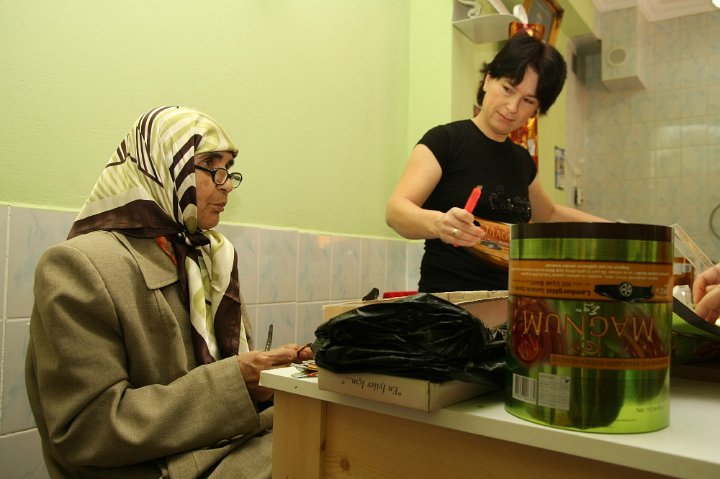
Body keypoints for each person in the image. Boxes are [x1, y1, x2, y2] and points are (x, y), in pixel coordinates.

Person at [25, 106, 313, 478]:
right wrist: (238, 382)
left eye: (229, 168)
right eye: (211, 164)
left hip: (222, 448)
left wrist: (272, 378)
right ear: (161, 167)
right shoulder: (78, 265)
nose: (226, 183)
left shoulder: (211, 257)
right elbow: (87, 430)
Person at [386, 31, 605, 292]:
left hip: (509, 306)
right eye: (507, 89)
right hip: (448, 310)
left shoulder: (522, 160)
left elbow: (548, 213)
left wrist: (614, 229)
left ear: (536, 110)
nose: (512, 107)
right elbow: (396, 210)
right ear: (489, 79)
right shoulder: (445, 141)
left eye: (527, 101)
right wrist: (439, 224)